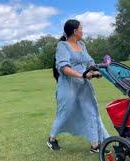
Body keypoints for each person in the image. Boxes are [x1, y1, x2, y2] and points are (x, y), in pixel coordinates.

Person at [47, 19, 110, 153]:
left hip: (83, 86)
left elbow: (89, 62)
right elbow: (64, 68)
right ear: (75, 31)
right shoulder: (62, 46)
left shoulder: (81, 44)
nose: (83, 31)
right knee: (65, 113)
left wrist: (96, 71)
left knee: (91, 111)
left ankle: (96, 145)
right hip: (68, 85)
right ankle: (51, 138)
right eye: (81, 29)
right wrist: (82, 75)